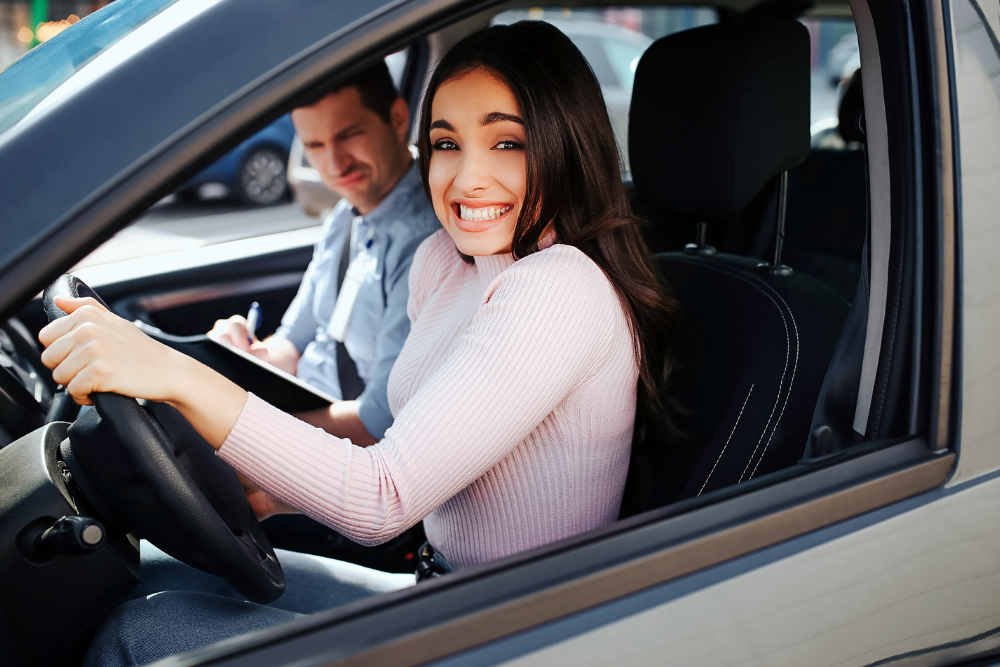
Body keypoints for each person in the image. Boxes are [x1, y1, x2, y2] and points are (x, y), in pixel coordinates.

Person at [38, 21, 678, 665]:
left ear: (568, 144)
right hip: (440, 591)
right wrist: (262, 489)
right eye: (447, 143)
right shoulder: (445, 262)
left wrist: (172, 372)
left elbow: (384, 497)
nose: (466, 178)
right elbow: (424, 443)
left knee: (140, 636)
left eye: (507, 141)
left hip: (512, 633)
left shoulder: (560, 289)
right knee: (151, 573)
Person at [211, 60, 440, 447]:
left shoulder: (426, 244)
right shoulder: (344, 217)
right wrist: (245, 355)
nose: (333, 164)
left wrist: (251, 437)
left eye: (349, 135)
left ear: (398, 118)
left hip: (342, 457)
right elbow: (294, 340)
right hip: (310, 415)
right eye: (315, 145)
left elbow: (379, 422)